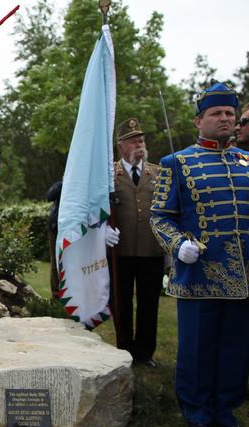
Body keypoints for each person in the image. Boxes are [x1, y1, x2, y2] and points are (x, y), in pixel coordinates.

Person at [150, 81, 249, 427]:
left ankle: (225, 410)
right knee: (196, 353)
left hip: (244, 280)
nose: (225, 119)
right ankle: (197, 414)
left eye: (229, 113)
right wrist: (179, 245)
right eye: (216, 113)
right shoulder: (176, 163)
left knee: (235, 352)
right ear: (199, 121)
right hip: (199, 277)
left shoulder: (246, 162)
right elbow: (159, 217)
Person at [106, 118, 165, 368]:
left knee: (149, 302)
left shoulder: (158, 172)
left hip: (152, 249)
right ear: (121, 147)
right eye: (133, 141)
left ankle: (145, 352)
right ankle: (124, 348)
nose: (139, 144)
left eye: (141, 140)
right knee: (122, 301)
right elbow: (97, 208)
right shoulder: (110, 173)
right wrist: (101, 232)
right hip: (123, 249)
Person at [45, 180, 62, 299]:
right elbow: (49, 196)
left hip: (71, 228)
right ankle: (56, 293)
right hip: (55, 227)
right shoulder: (61, 185)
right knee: (55, 261)